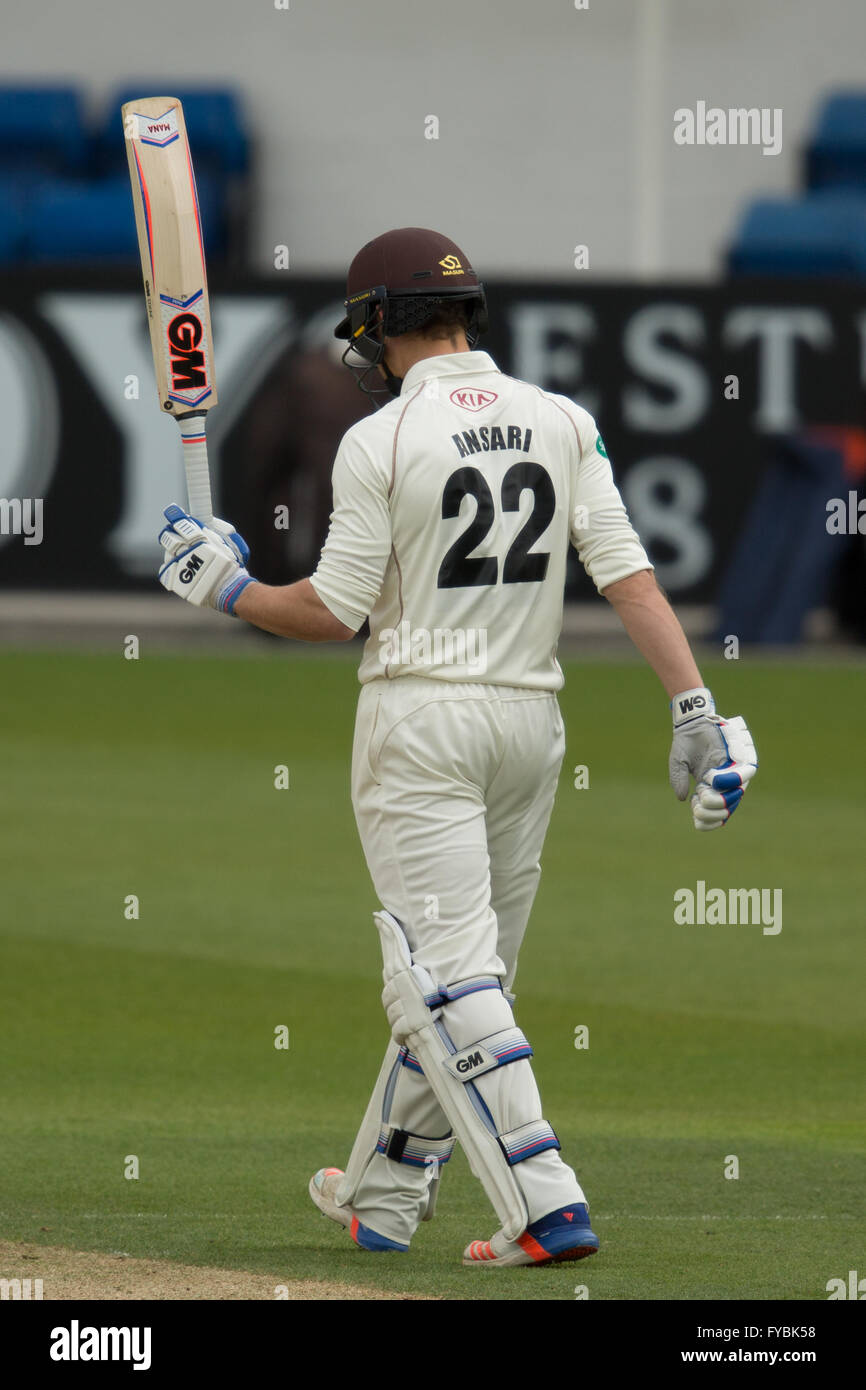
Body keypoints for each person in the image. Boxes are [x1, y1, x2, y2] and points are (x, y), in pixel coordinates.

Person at [157, 227, 758, 1268]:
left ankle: (544, 1200)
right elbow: (627, 576)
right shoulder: (559, 419)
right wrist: (693, 709)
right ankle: (385, 1190)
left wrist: (227, 588)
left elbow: (334, 610)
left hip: (419, 722)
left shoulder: (379, 438)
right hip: (530, 724)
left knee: (439, 981)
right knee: (470, 976)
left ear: (380, 326)